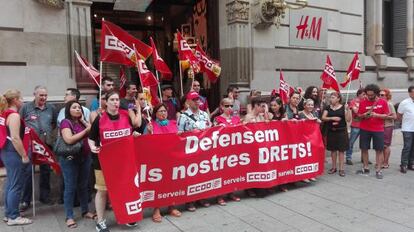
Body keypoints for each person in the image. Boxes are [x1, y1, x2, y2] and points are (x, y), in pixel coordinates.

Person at [88, 91, 141, 232]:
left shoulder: (126, 115)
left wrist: (134, 134)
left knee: (125, 188)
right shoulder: (99, 119)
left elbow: (133, 130)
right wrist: (93, 147)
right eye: (112, 99)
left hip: (124, 161)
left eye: (117, 99)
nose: (115, 102)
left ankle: (127, 216)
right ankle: (100, 221)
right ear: (106, 102)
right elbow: (91, 138)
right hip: (103, 162)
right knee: (102, 191)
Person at [20, 86, 57, 211]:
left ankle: (45, 196)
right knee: (27, 172)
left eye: (45, 95)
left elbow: (54, 123)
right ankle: (25, 200)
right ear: (34, 94)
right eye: (41, 95)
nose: (44, 98)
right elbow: (19, 124)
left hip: (45, 144)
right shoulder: (25, 108)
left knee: (45, 170)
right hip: (30, 144)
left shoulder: (51, 108)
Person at [59, 100, 96, 228]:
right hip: (70, 159)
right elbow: (69, 140)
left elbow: (91, 132)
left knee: (83, 185)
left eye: (79, 107)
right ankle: (69, 216)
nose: (78, 109)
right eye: (74, 107)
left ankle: (85, 211)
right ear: (68, 110)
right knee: (70, 187)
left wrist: (85, 123)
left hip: (85, 157)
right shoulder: (65, 122)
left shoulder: (81, 121)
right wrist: (85, 131)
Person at [0, 89, 32, 226]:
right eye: (21, 98)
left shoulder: (4, 113)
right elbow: (15, 137)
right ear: (15, 100)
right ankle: (13, 216)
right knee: (16, 185)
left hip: (7, 152)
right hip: (13, 152)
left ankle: (9, 213)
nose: (23, 101)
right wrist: (24, 155)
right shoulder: (13, 116)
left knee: (10, 183)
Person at [145, 103, 182, 222]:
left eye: (165, 111)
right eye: (160, 111)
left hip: (172, 159)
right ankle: (156, 209)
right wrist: (148, 133)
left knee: (172, 183)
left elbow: (179, 141)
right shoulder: (151, 125)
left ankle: (171, 206)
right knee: (158, 185)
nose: (163, 113)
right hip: (157, 161)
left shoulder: (173, 123)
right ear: (155, 113)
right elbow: (145, 143)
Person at [177, 91, 211, 211]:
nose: (197, 101)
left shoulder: (204, 114)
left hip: (203, 150)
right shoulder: (183, 116)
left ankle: (202, 197)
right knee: (191, 175)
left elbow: (210, 129)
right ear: (188, 101)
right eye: (194, 99)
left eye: (198, 99)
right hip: (190, 151)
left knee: (203, 173)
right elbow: (179, 135)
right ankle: (189, 200)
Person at [356, 84, 389, 179]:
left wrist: (376, 115)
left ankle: (378, 170)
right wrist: (365, 115)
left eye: (372, 95)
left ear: (376, 93)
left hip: (378, 129)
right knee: (364, 148)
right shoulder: (362, 102)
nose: (369, 97)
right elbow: (359, 116)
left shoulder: (383, 102)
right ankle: (365, 167)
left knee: (379, 150)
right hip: (365, 128)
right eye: (368, 95)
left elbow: (386, 116)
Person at [213, 98, 241, 205]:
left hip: (234, 151)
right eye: (226, 106)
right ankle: (219, 195)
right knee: (222, 173)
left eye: (231, 106)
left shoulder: (236, 119)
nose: (229, 108)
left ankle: (231, 192)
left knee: (233, 172)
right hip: (222, 151)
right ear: (221, 107)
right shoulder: (217, 119)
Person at [243, 96, 269, 196]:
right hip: (251, 147)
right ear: (256, 106)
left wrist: (265, 112)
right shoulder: (248, 117)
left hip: (260, 146)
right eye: (262, 106)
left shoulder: (262, 116)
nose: (263, 108)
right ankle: (249, 189)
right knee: (251, 168)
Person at [322, 92, 351, 177]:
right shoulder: (328, 107)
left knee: (341, 151)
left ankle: (341, 168)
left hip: (341, 131)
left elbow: (348, 120)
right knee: (333, 150)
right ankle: (333, 167)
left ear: (338, 99)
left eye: (333, 97)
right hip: (331, 131)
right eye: (330, 97)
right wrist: (332, 118)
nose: (331, 99)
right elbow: (323, 117)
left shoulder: (343, 107)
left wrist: (347, 110)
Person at [345, 89, 366, 165]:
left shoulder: (366, 101)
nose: (365, 96)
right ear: (359, 94)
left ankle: (364, 158)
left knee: (364, 143)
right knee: (351, 142)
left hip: (365, 125)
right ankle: (348, 157)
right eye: (363, 94)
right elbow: (356, 111)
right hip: (356, 125)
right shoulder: (353, 101)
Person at [397, 86, 414, 173]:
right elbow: (399, 115)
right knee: (407, 147)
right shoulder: (404, 103)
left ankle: (411, 163)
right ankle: (403, 164)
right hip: (407, 128)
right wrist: (404, 123)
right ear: (410, 93)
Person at [380, 88, 396, 169]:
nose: (380, 96)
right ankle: (383, 161)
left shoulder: (389, 104)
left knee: (386, 145)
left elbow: (395, 116)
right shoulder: (381, 103)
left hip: (388, 126)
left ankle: (385, 162)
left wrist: (386, 116)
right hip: (381, 126)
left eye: (382, 95)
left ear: (387, 96)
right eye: (379, 94)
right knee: (382, 145)